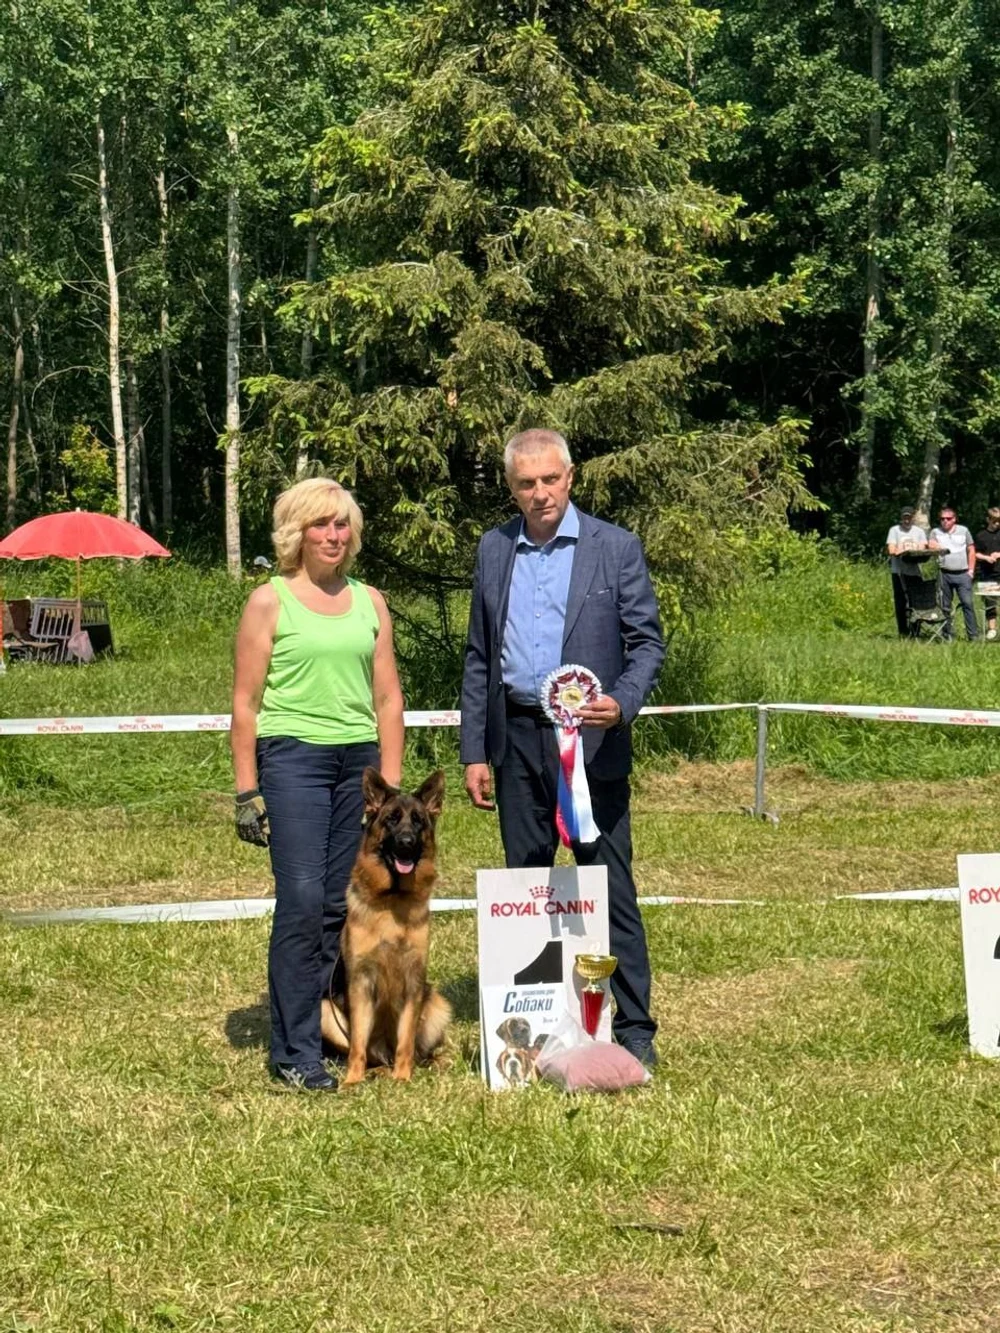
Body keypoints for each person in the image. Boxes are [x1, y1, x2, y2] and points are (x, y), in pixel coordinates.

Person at [460, 428, 665, 1066]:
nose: (540, 493)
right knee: (527, 887)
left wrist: (622, 701)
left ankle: (633, 1029)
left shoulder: (615, 546)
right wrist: (473, 750)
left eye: (550, 480)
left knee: (609, 888)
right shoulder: (495, 549)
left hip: (591, 744)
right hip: (515, 739)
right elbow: (478, 656)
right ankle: (530, 1030)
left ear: (570, 479)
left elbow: (648, 642)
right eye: (527, 483)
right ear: (511, 488)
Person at [231, 478, 404, 1091]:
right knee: (302, 902)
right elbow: (246, 704)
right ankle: (293, 1053)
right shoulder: (269, 601)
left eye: (341, 525)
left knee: (337, 906)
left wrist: (393, 788)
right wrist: (247, 791)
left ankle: (322, 1032)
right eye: (320, 525)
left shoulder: (370, 601)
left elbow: (387, 698)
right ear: (295, 534)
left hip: (357, 768)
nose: (333, 535)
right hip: (294, 761)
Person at [929, 507, 978, 641]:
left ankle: (973, 636)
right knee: (945, 606)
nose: (945, 521)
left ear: (954, 519)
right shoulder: (935, 532)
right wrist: (936, 546)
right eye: (942, 519)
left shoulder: (964, 531)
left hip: (963, 574)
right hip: (944, 573)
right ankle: (947, 635)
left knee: (967, 603)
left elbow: (971, 550)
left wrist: (971, 571)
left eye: (948, 518)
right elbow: (931, 544)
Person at [885, 506, 927, 638]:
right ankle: (903, 631)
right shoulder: (894, 530)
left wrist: (913, 549)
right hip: (898, 572)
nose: (906, 520)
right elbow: (891, 549)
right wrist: (897, 550)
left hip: (915, 572)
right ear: (901, 518)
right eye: (904, 517)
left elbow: (923, 548)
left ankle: (915, 631)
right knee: (901, 602)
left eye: (909, 517)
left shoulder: (919, 532)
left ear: (913, 517)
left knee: (917, 601)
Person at [974, 507, 1000, 640]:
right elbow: (975, 553)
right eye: (994, 521)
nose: (997, 524)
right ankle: (992, 629)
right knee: (990, 602)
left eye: (999, 521)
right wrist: (986, 558)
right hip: (987, 573)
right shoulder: (980, 535)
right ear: (988, 520)